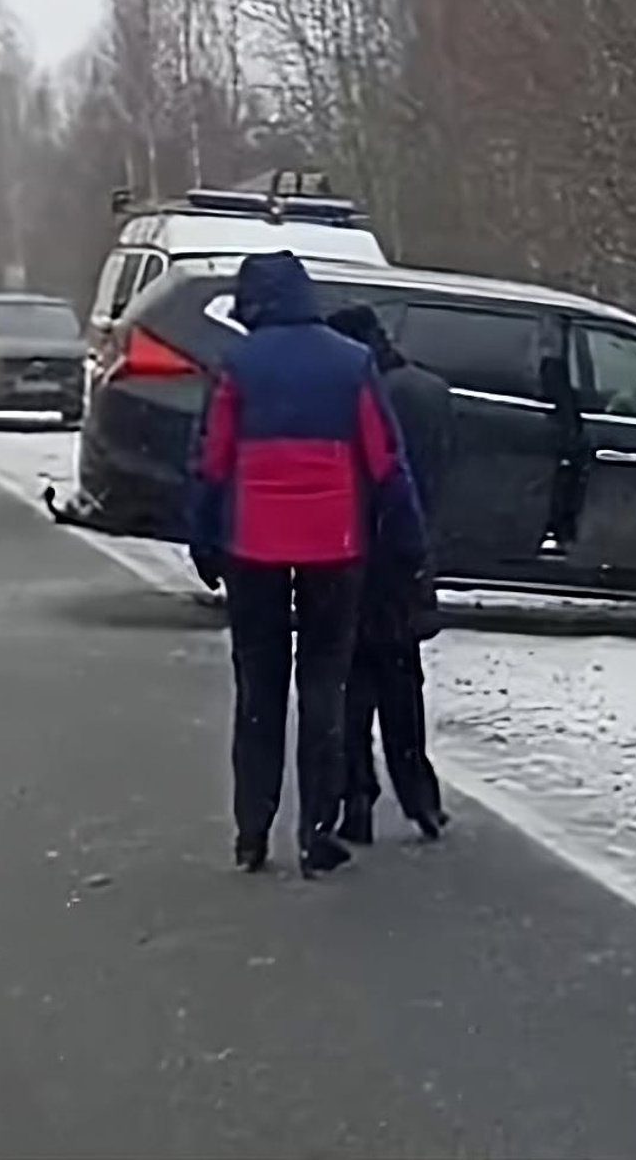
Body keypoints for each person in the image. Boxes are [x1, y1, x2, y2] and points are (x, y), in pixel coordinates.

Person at [190, 253, 425, 879]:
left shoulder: (235, 365)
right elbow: (385, 461)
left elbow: (212, 461)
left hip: (252, 549)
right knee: (324, 689)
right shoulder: (352, 363)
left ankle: (251, 831)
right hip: (335, 549)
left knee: (257, 690)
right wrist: (407, 541)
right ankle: (315, 834)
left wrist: (204, 536)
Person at [325, 304, 453, 844]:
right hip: (407, 553)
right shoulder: (428, 391)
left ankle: (356, 796)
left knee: (351, 687)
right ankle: (420, 797)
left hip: (347, 553)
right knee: (403, 683)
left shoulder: (347, 398)